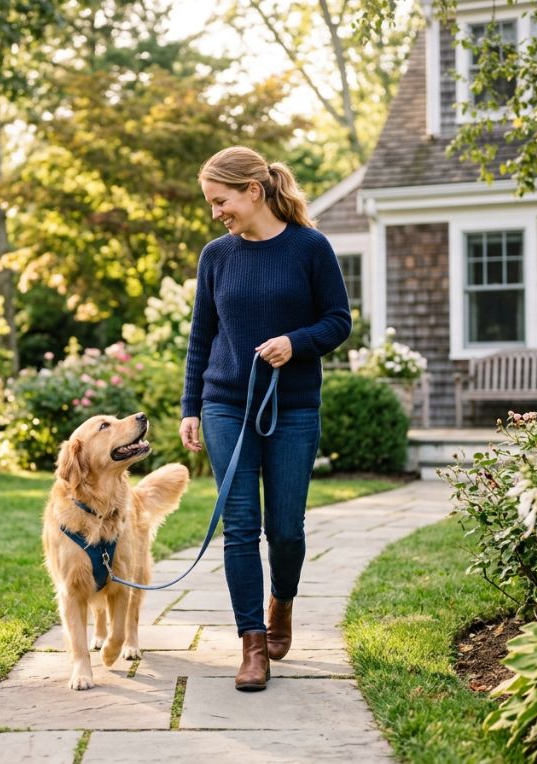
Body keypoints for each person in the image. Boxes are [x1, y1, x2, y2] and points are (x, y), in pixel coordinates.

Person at [179, 146, 351, 692]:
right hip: (226, 402)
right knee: (240, 527)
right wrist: (190, 408)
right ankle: (253, 644)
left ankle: (283, 600)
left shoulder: (310, 247)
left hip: (293, 405)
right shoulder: (216, 256)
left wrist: (295, 343)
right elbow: (201, 336)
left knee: (286, 529)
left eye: (220, 200)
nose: (216, 213)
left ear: (254, 191)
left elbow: (339, 321)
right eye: (211, 203)